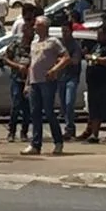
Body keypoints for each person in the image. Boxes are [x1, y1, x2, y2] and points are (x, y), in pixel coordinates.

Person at [24, 16, 70, 156]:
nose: (35, 27)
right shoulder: (34, 43)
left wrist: (54, 70)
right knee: (35, 113)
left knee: (49, 112)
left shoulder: (53, 42)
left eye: (38, 25)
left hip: (47, 81)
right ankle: (35, 144)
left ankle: (58, 142)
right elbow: (32, 64)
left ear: (44, 26)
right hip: (34, 81)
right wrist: (27, 83)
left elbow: (66, 57)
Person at [78, 13, 106, 145]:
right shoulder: (97, 47)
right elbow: (90, 56)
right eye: (98, 34)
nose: (98, 36)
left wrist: (93, 58)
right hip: (94, 84)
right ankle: (94, 134)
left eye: (101, 34)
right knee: (94, 111)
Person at [1, 21, 34, 142]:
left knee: (27, 109)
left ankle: (24, 132)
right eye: (29, 30)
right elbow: (4, 58)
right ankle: (11, 131)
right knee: (16, 106)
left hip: (29, 80)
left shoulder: (34, 46)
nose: (32, 32)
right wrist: (17, 66)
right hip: (17, 79)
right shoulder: (15, 45)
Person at [57, 24, 83, 140]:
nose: (64, 34)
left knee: (69, 103)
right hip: (61, 77)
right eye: (63, 31)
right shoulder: (60, 44)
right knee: (63, 105)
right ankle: (68, 129)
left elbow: (75, 61)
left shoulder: (75, 45)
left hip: (71, 77)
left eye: (66, 31)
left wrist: (63, 60)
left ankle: (70, 128)